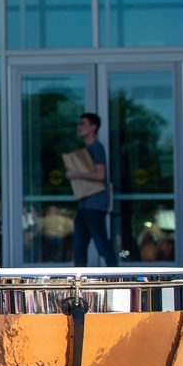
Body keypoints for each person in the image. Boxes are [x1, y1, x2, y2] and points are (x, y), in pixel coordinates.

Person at [66, 113, 117, 267]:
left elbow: (101, 174)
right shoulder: (87, 150)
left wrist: (76, 174)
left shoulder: (97, 148)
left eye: (83, 123)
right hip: (85, 205)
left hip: (95, 206)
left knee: (102, 246)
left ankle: (116, 278)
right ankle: (78, 283)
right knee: (79, 248)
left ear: (93, 127)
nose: (79, 127)